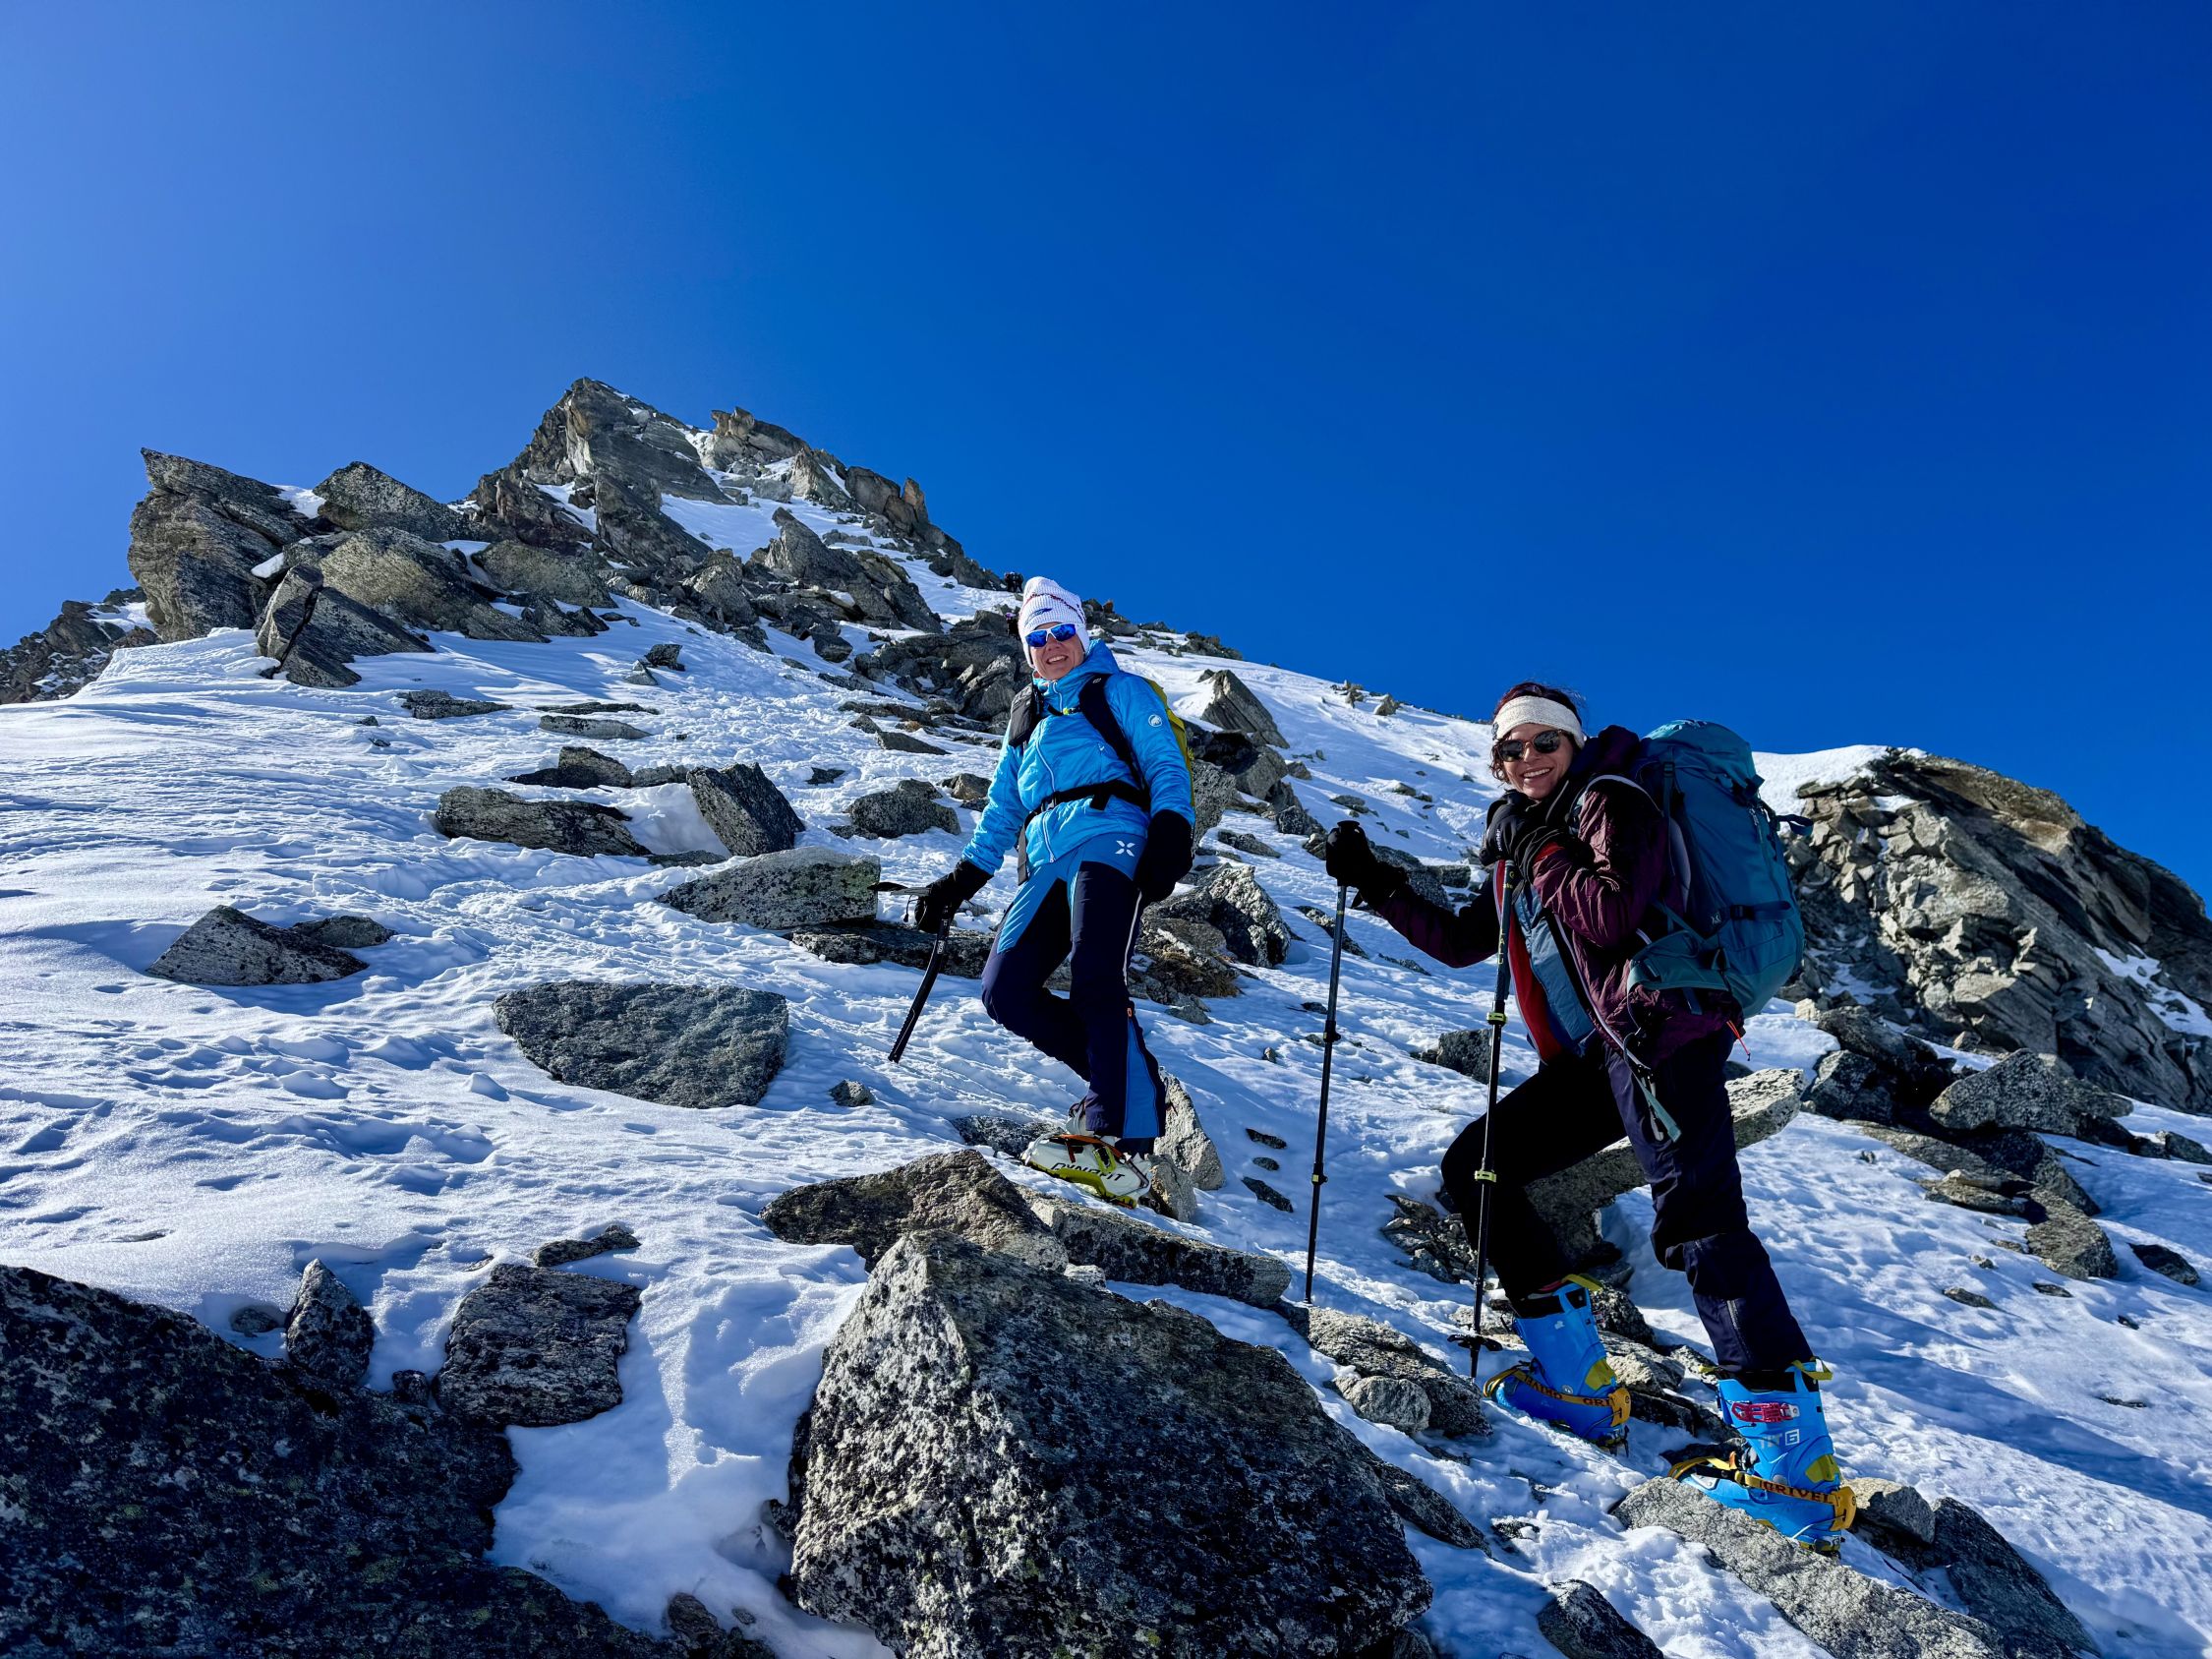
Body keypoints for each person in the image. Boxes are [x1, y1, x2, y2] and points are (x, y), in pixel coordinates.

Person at [1323, 681, 1851, 1552]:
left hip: (1661, 1031)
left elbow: (1610, 915)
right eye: (1511, 749)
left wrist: (1540, 849)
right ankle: (1577, 1383)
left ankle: (1794, 1471)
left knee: (1701, 1223)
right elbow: (1462, 941)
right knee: (1478, 1169)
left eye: (1544, 743)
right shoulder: (1528, 835)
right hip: (1594, 1058)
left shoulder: (1610, 797)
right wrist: (1375, 879)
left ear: (1572, 743)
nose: (1528, 759)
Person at [913, 576, 1194, 1204]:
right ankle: (1127, 1086)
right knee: (1004, 990)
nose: (1051, 645)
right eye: (1037, 639)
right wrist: (960, 881)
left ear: (1082, 634)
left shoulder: (1122, 691)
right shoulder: (1026, 717)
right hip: (1042, 861)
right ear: (1027, 651)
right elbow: (1001, 808)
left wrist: (1172, 833)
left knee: (1096, 977)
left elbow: (1165, 765)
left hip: (1110, 836)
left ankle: (1120, 1135)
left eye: (1062, 631)